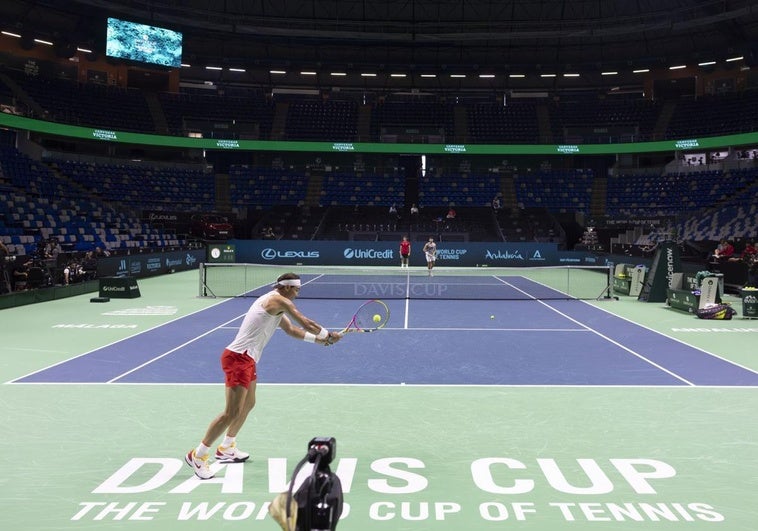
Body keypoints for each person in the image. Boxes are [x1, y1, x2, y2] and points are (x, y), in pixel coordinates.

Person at [185, 272, 342, 480]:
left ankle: (226, 447)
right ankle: (198, 454)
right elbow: (304, 321)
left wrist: (319, 341)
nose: (297, 293)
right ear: (285, 287)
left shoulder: (277, 305)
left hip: (248, 359)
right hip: (238, 358)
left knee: (249, 404)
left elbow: (292, 330)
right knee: (231, 412)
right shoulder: (276, 300)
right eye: (296, 289)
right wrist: (327, 335)